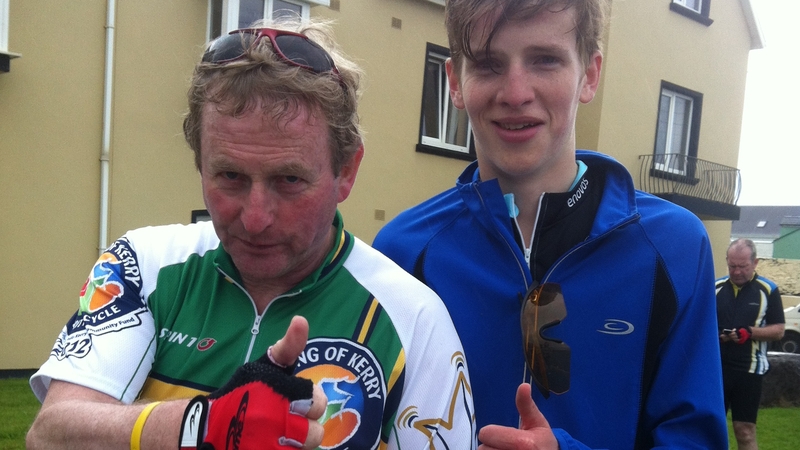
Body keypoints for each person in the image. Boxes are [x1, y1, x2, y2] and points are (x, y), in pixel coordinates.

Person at [26, 17, 476, 450]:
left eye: (289, 179)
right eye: (230, 176)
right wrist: (195, 427)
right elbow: (50, 434)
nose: (255, 218)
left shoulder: (414, 321)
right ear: (200, 162)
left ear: (346, 171)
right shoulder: (143, 264)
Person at [373, 0, 728, 448]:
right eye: (488, 64)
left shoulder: (674, 246)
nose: (516, 92)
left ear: (589, 75)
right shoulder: (402, 253)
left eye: (544, 60)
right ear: (455, 83)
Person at [716, 238, 785, 450]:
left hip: (749, 370)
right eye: (732, 266)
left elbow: (779, 330)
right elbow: (701, 325)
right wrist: (717, 335)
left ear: (755, 263)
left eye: (743, 266)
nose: (737, 272)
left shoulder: (768, 289)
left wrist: (750, 332)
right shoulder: (715, 288)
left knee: (744, 430)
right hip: (716, 370)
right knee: (711, 428)